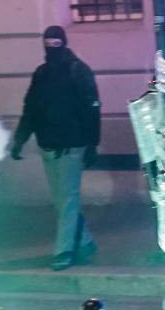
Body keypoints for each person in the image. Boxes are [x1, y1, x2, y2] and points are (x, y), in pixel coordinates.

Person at [9, 25, 100, 271]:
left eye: (55, 43)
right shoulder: (43, 73)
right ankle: (86, 243)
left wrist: (92, 144)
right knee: (63, 201)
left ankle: (64, 251)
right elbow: (31, 109)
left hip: (71, 146)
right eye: (49, 43)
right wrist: (20, 138)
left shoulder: (78, 71)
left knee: (67, 200)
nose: (52, 48)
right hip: (50, 145)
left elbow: (91, 109)